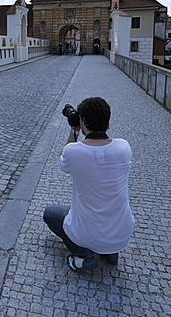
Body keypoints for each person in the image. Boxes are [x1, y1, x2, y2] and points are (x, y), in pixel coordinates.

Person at [43, 97, 135, 271]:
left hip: (87, 234)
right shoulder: (124, 148)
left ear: (83, 121)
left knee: (50, 213)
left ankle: (83, 257)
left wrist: (73, 129)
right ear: (107, 120)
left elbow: (64, 161)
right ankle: (110, 252)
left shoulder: (74, 152)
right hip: (121, 235)